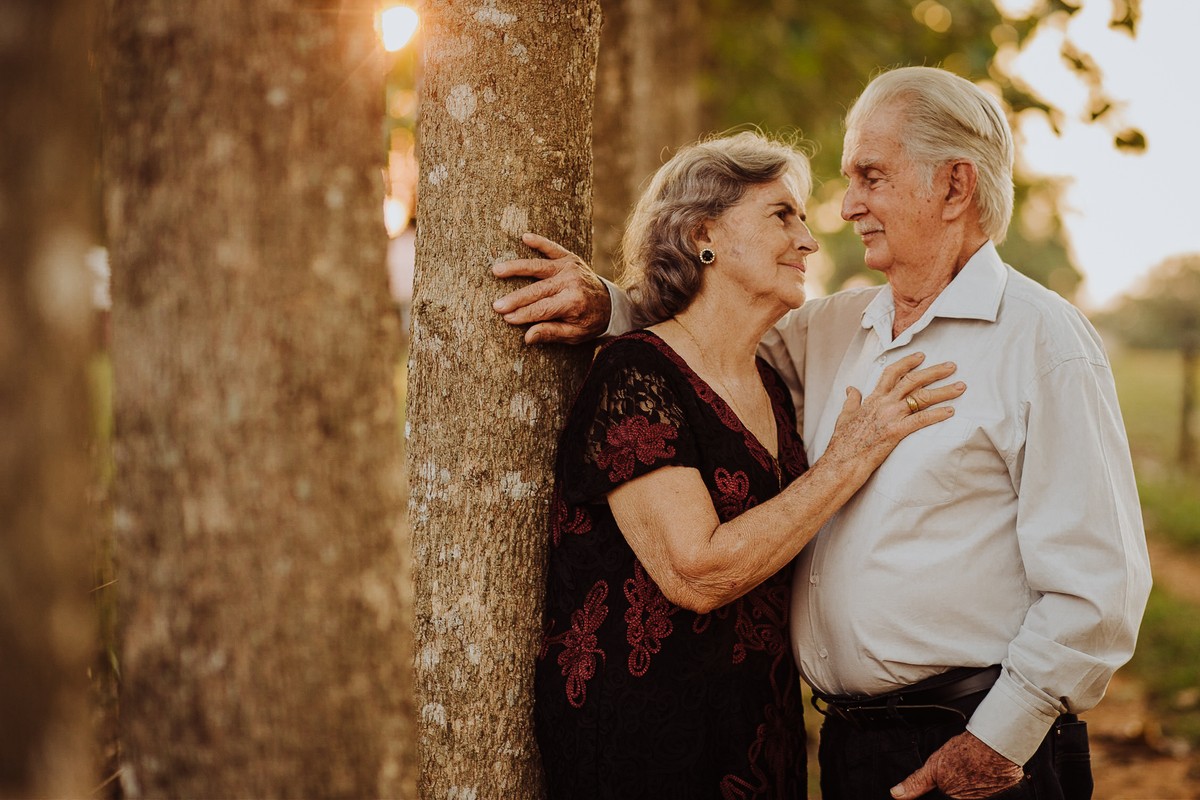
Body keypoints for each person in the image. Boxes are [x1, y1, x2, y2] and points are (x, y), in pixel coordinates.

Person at [494, 68, 1151, 799]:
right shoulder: (833, 330)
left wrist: (1001, 737)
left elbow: (1099, 585)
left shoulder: (1043, 340)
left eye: (871, 177)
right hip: (841, 750)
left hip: (980, 745)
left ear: (956, 187)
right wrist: (608, 304)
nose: (848, 209)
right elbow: (704, 347)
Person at [532, 130, 966, 799]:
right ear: (704, 234)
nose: (809, 241)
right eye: (781, 215)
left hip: (758, 737)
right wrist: (847, 459)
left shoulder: (771, 379)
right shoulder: (635, 372)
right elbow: (696, 572)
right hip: (646, 749)